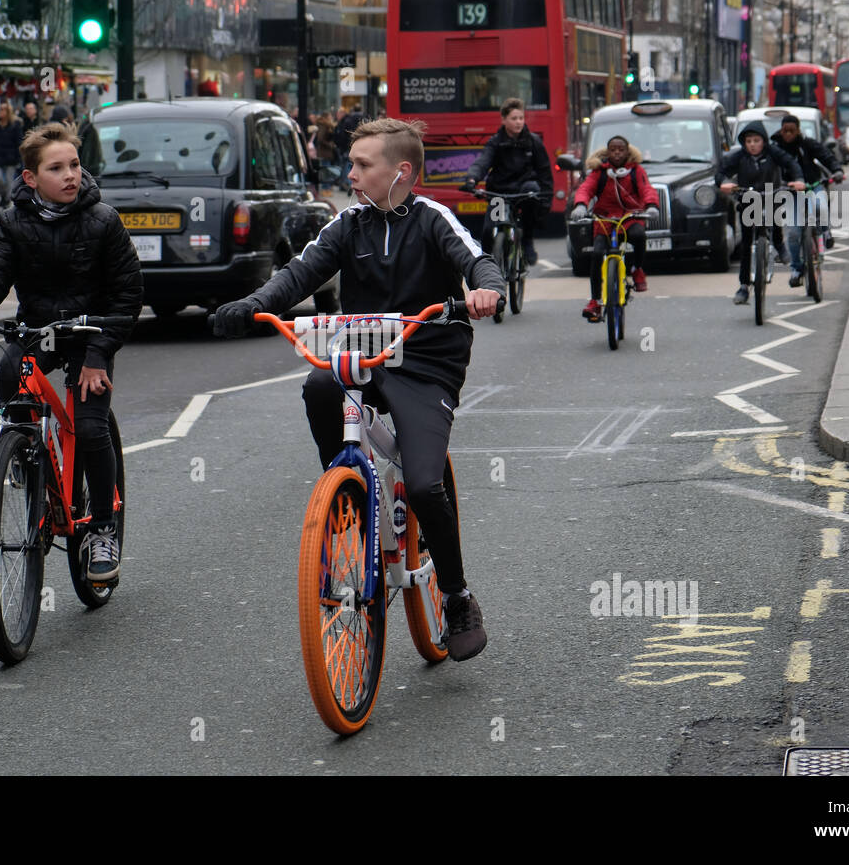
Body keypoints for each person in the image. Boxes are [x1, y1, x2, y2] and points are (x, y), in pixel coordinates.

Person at [212, 118, 505, 661]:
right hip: (365, 355)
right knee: (319, 386)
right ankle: (345, 485)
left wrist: (487, 289)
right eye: (351, 164)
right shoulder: (347, 225)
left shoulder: (433, 219)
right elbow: (298, 275)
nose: (351, 175)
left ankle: (458, 595)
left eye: (362, 165)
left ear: (402, 173)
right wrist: (254, 305)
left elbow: (478, 260)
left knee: (422, 485)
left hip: (425, 359)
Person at [0, 123, 142, 582]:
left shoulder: (103, 220)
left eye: (74, 165)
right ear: (30, 178)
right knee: (9, 375)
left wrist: (98, 354)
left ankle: (103, 528)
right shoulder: (12, 222)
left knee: (89, 427)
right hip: (39, 330)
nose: (70, 175)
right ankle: (26, 454)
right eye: (56, 168)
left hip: (91, 334)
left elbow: (128, 296)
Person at [570, 135, 659, 322]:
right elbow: (586, 189)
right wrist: (580, 205)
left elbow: (647, 189)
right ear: (607, 152)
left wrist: (651, 206)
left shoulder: (636, 171)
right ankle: (595, 301)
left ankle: (636, 269)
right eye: (613, 149)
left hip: (630, 217)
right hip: (605, 220)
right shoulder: (599, 172)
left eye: (621, 149)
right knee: (596, 254)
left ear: (628, 152)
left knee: (638, 235)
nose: (617, 153)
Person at [717, 120, 805, 305]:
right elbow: (721, 171)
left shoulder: (773, 152)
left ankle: (780, 246)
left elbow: (791, 164)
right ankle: (743, 286)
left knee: (774, 218)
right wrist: (723, 183)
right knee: (747, 243)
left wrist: (798, 179)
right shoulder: (739, 156)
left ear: (763, 141)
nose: (752, 145)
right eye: (748, 141)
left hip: (770, 194)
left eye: (756, 140)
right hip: (748, 199)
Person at [462, 97, 552, 266]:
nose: (518, 122)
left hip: (524, 191)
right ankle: (487, 264)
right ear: (503, 120)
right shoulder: (495, 142)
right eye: (514, 118)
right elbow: (482, 163)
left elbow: (544, 173)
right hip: (500, 193)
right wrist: (472, 178)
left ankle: (527, 241)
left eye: (521, 118)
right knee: (489, 229)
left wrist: (547, 199)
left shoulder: (534, 142)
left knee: (531, 195)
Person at [770, 114, 845, 285]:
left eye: (792, 131)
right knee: (793, 234)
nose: (788, 134)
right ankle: (796, 269)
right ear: (781, 131)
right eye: (785, 131)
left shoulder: (808, 144)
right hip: (790, 192)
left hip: (813, 185)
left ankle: (825, 232)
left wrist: (837, 170)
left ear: (798, 131)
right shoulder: (775, 148)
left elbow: (826, 156)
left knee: (820, 206)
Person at [0, 102, 24, 208]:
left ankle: (6, 200)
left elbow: (19, 141)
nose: (0, 111)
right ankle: (3, 195)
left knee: (10, 180)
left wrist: (19, 157)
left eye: (3, 109)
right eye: (0, 109)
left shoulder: (15, 125)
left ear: (8, 112)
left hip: (11, 157)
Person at [332, 106, 363, 192]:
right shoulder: (348, 121)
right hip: (347, 147)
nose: (337, 116)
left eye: (338, 114)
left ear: (342, 113)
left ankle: (348, 184)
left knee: (346, 166)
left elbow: (344, 136)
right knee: (347, 165)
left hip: (345, 147)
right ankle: (346, 184)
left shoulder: (346, 122)